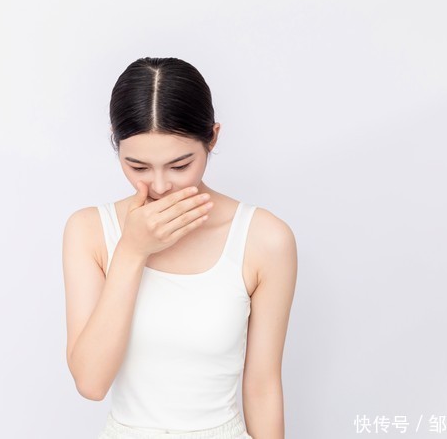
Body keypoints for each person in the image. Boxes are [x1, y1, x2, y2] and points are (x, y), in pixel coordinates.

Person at [62, 57, 298, 439]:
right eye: (138, 167)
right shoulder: (89, 231)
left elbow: (263, 387)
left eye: (180, 165)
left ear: (213, 138)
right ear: (115, 142)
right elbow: (90, 382)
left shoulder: (264, 238)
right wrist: (132, 251)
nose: (159, 186)